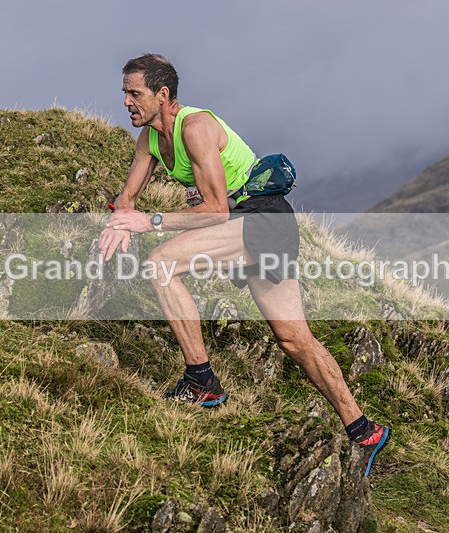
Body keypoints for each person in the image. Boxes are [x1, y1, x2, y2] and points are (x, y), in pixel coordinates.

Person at [98, 53, 390, 475]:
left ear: (163, 95)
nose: (126, 101)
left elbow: (216, 211)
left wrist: (149, 222)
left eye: (134, 93)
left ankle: (202, 381)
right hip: (246, 224)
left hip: (262, 218)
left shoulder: (195, 128)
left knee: (161, 264)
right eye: (124, 92)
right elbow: (127, 197)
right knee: (293, 340)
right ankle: (364, 430)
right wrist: (119, 222)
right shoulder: (149, 141)